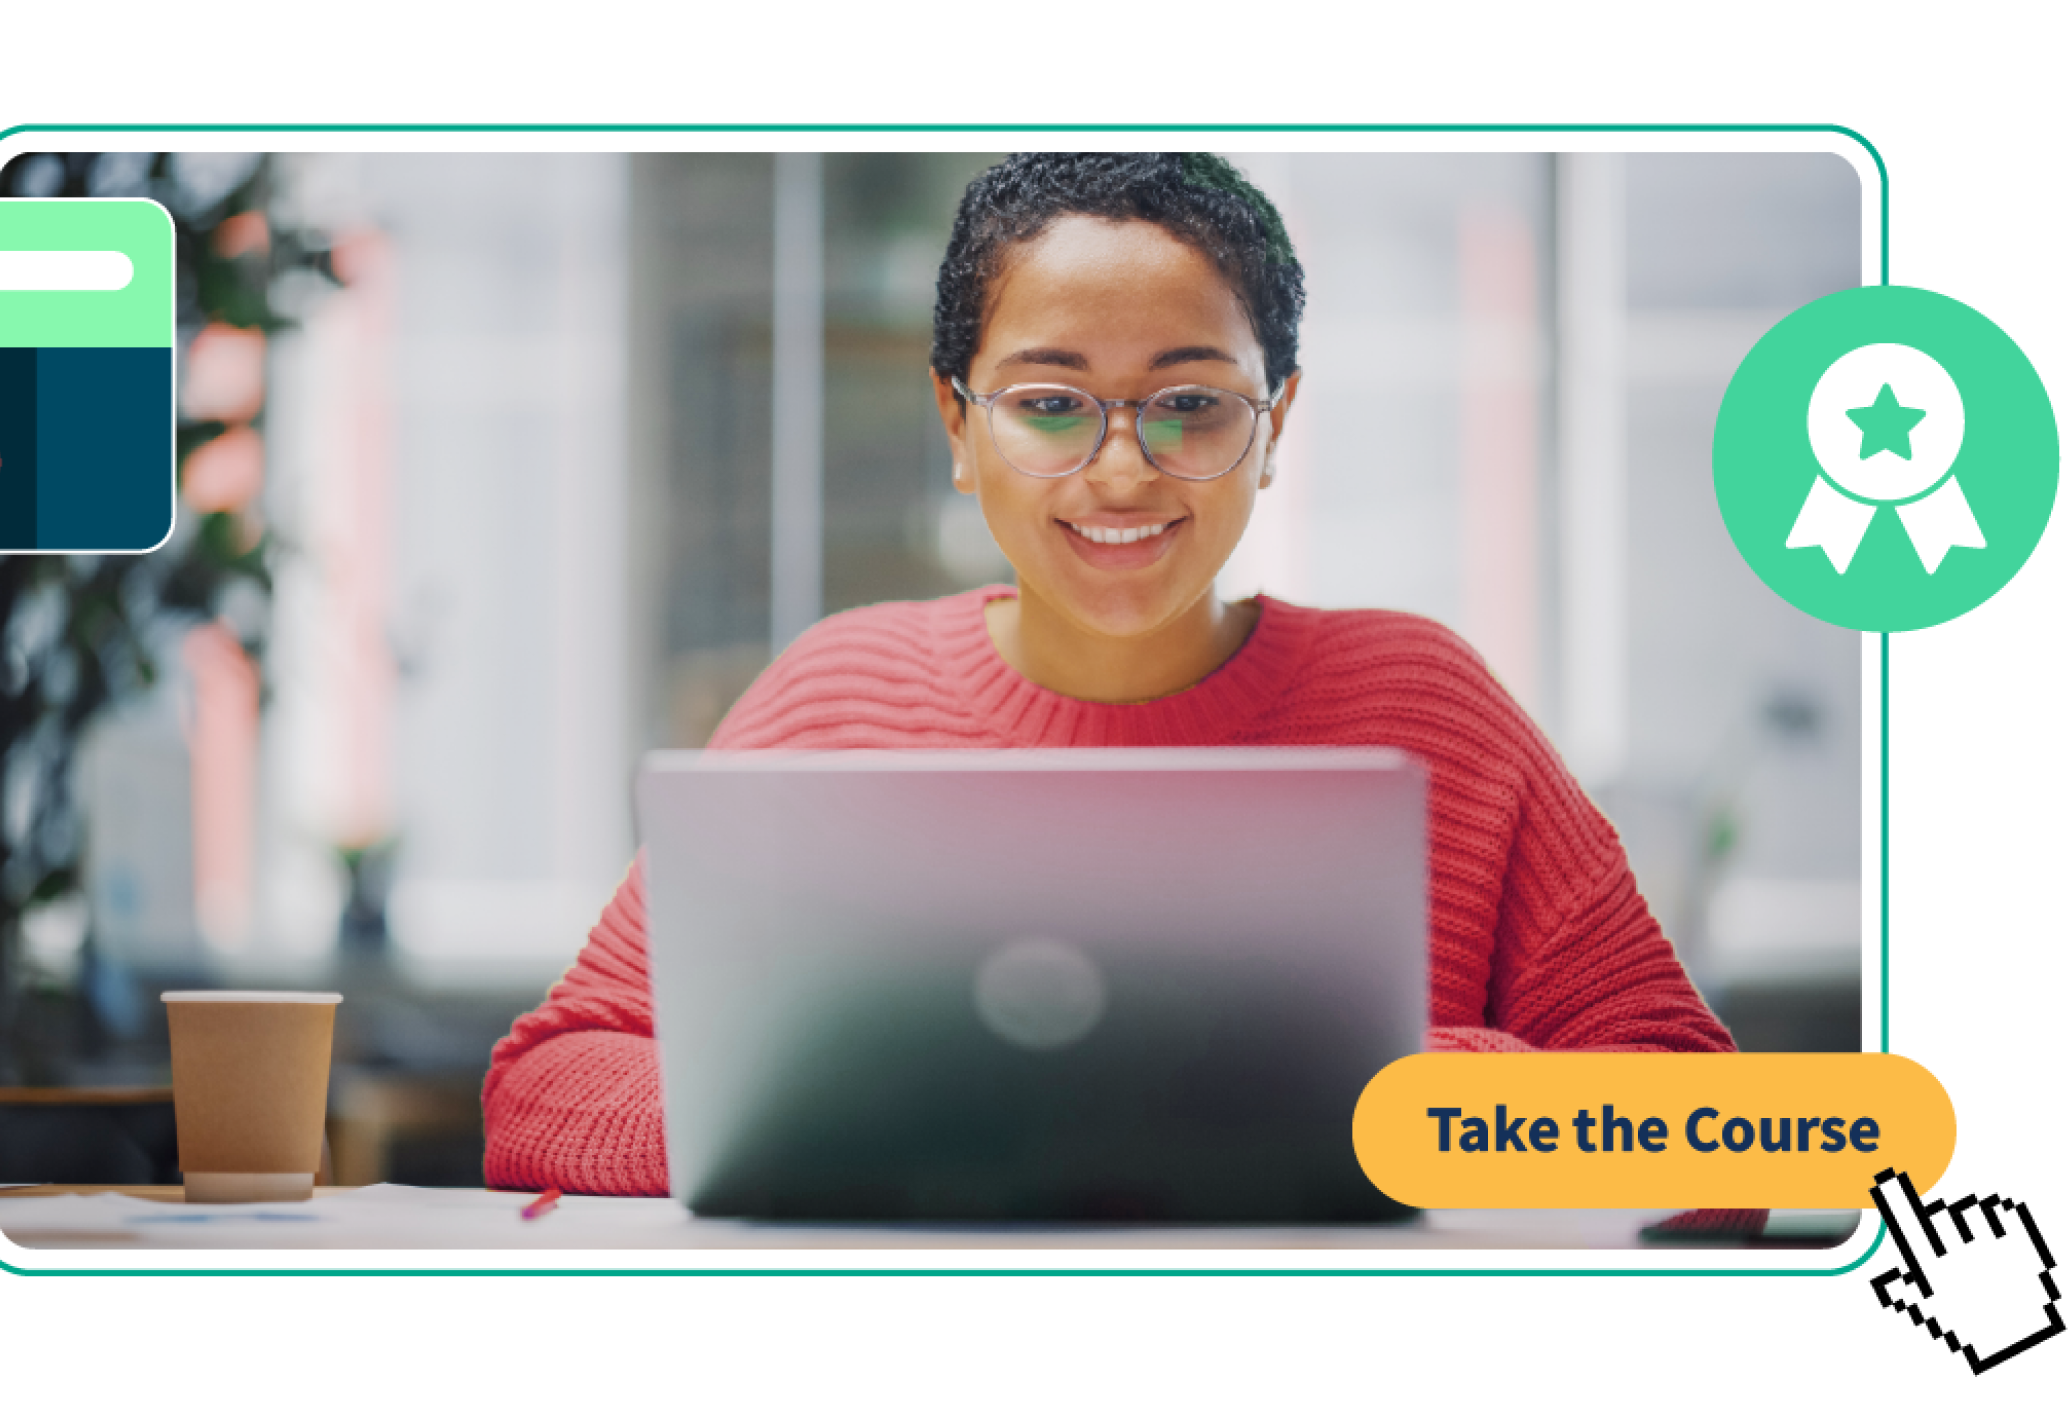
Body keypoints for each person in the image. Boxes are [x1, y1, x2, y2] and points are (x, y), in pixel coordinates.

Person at [483, 152, 1741, 1203]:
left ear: (1276, 426)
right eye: (1049, 403)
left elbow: (1704, 1130)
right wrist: (897, 1098)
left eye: (1191, 402)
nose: (1124, 469)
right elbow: (542, 1088)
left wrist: (1392, 1086)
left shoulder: (1426, 708)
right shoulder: (833, 700)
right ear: (957, 427)